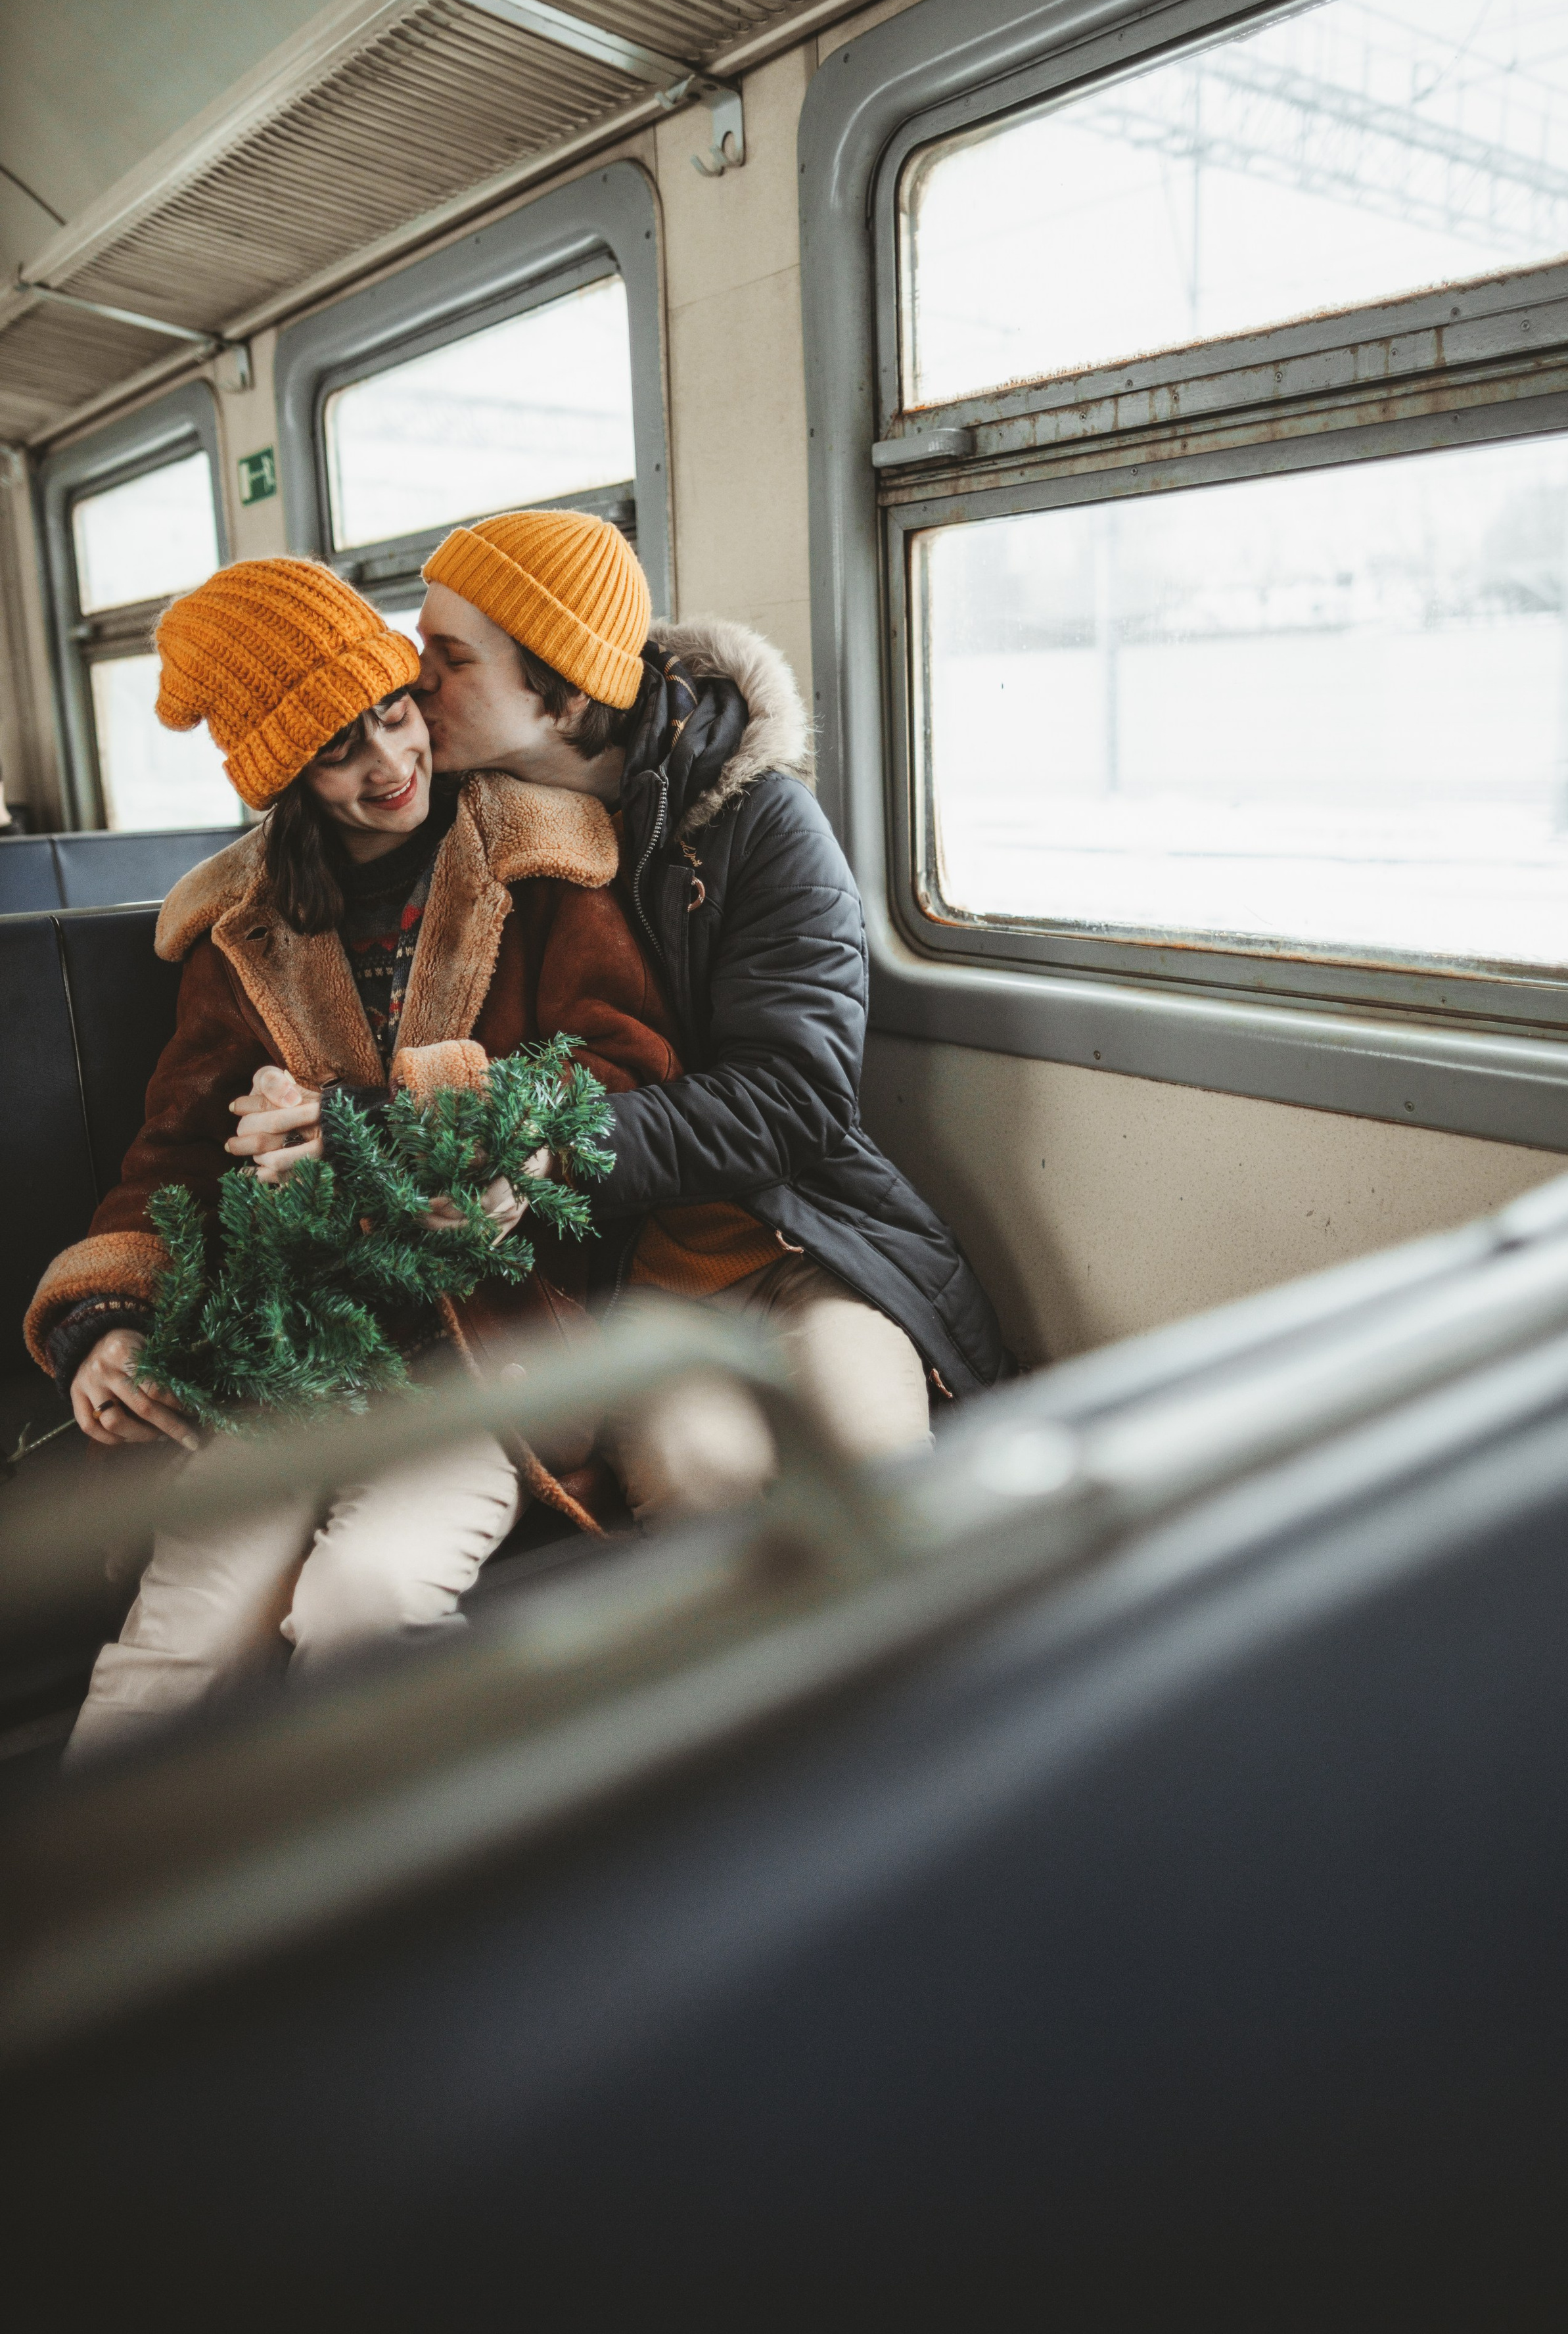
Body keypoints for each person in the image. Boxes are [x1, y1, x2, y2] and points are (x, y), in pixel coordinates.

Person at [24, 556, 680, 1759]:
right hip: (293, 1342)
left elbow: (624, 1078)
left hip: (484, 1343)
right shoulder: (241, 933)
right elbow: (175, 1152)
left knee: (362, 1601)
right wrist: (104, 1320)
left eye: (395, 711)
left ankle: (383, 1855)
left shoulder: (543, 862)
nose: (391, 761)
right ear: (289, 779)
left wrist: (386, 1120)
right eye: (340, 750)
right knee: (187, 1638)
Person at [413, 511, 1011, 1526]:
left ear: (563, 691)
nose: (414, 681)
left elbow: (796, 1096)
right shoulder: (461, 838)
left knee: (878, 1479)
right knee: (702, 1488)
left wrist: (557, 1144)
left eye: (451, 658)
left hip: (804, 1246)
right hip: (631, 1288)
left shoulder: (759, 823)